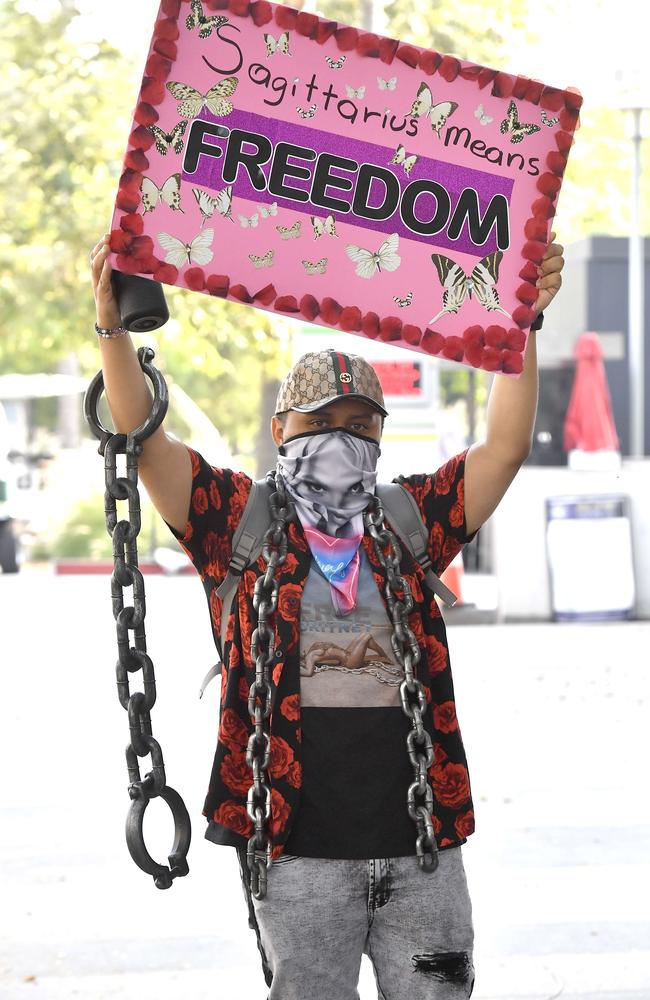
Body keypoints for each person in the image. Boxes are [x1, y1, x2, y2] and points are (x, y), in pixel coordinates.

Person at [90, 230, 564, 1000]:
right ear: (280, 431)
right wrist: (113, 331)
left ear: (381, 435)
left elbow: (504, 447)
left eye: (359, 424)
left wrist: (526, 323)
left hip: (422, 855)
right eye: (317, 424)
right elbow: (148, 443)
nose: (339, 440)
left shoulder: (414, 520)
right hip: (297, 857)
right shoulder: (236, 520)